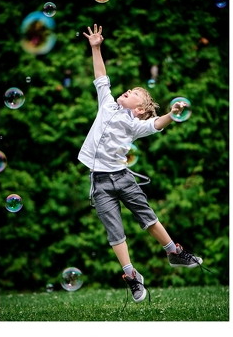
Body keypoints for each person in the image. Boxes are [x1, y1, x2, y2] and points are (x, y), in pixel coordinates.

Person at [78, 24, 204, 304]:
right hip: (99, 182)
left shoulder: (137, 125)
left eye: (133, 92)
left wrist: (172, 113)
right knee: (115, 232)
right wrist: (96, 47)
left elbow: (157, 124)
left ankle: (173, 252)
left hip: (122, 178)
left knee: (148, 217)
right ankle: (132, 276)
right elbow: (101, 76)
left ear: (139, 109)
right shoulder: (107, 104)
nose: (126, 90)